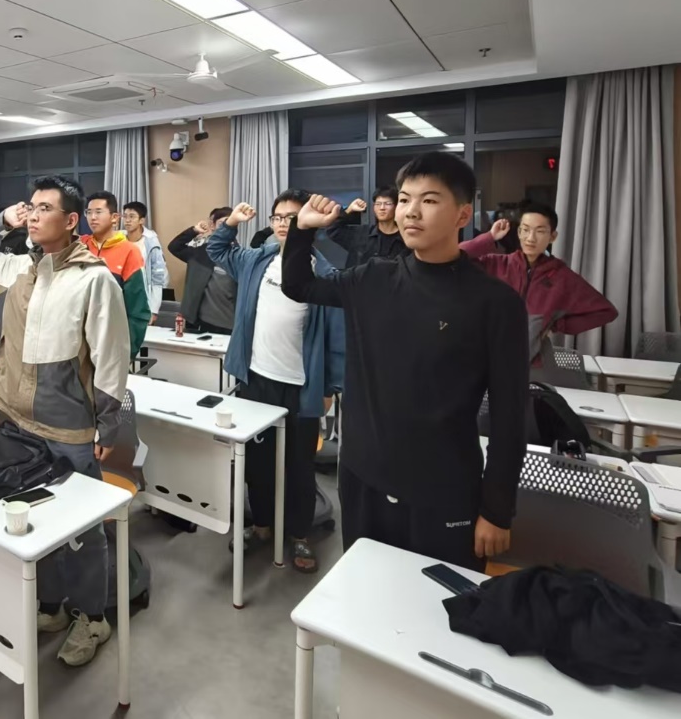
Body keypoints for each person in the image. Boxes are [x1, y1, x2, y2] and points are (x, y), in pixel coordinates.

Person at [281, 153, 530, 572]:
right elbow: (299, 286)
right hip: (363, 478)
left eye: (429, 200)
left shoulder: (495, 303)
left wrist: (497, 509)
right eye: (404, 199)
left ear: (462, 214)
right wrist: (302, 229)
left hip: (444, 487)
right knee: (367, 589)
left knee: (440, 603)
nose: (411, 211)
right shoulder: (372, 278)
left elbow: (510, 415)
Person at [0, 175, 130, 668]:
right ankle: (53, 606)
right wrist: (2, 221)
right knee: (34, 521)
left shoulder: (94, 279)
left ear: (72, 220)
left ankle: (93, 617)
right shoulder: (20, 268)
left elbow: (111, 359)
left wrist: (108, 427)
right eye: (30, 208)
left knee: (81, 531)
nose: (33, 216)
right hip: (14, 421)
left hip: (67, 428)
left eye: (44, 209)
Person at [207, 191, 345, 573]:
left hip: (300, 388)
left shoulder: (325, 274)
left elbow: (337, 341)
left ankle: (300, 533)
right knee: (258, 463)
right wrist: (231, 222)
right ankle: (263, 525)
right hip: (256, 382)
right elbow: (216, 251)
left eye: (293, 217)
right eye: (278, 217)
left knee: (299, 466)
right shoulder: (257, 260)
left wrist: (329, 390)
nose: (284, 224)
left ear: (309, 223)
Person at [461, 202, 617, 339]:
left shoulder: (562, 276)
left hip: (531, 360)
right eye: (525, 230)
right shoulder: (496, 264)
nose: (531, 238)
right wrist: (490, 236)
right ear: (519, 232)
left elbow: (606, 311)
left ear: (552, 237)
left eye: (540, 231)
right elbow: (454, 256)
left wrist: (557, 324)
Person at [80, 191, 151, 357]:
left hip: (110, 342)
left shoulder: (129, 251)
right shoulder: (80, 246)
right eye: (89, 212)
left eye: (98, 212)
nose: (92, 217)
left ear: (114, 217)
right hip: (79, 343)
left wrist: (127, 352)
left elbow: (138, 309)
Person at [168, 207, 237, 334]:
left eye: (230, 223)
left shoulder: (239, 256)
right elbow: (175, 247)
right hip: (199, 321)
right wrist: (194, 231)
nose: (226, 228)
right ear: (213, 226)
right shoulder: (201, 252)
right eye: (222, 224)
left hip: (229, 322)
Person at [325, 186, 409, 267]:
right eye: (378, 204)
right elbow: (332, 229)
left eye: (387, 204)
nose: (382, 208)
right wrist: (349, 210)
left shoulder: (406, 238)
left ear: (396, 207)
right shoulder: (361, 233)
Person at [121, 201, 168, 324]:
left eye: (132, 216)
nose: (127, 220)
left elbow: (157, 278)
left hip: (142, 296)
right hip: (121, 295)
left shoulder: (151, 242)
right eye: (125, 216)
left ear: (141, 220)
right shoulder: (119, 239)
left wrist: (153, 310)